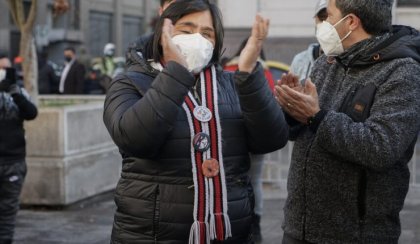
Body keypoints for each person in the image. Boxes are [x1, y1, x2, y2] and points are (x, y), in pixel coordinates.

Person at [103, 1, 289, 243]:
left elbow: (271, 139)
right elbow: (136, 140)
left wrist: (248, 72)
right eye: (187, 30)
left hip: (230, 233)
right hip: (152, 234)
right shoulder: (130, 83)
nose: (197, 39)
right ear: (164, 33)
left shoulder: (232, 84)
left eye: (206, 33)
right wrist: (176, 72)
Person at [275, 0, 420, 243]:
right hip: (298, 227)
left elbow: (381, 147)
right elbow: (305, 129)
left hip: (356, 234)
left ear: (351, 22)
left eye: (329, 16)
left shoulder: (403, 72)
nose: (323, 24)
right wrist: (293, 108)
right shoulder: (326, 62)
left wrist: (315, 116)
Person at [223, 37, 275, 243]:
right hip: (257, 137)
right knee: (255, 181)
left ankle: (228, 222)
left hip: (229, 136)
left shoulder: (226, 68)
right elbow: (270, 103)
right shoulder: (264, 71)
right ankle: (255, 225)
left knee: (228, 181)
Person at [0, 53, 38, 244]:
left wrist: (14, 91)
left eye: (6, 70)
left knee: (8, 211)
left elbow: (31, 113)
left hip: (13, 162)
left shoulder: (19, 93)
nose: (3, 74)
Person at [289, 0, 327, 83]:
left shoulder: (349, 62)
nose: (326, 24)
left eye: (331, 18)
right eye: (322, 18)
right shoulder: (300, 61)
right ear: (315, 20)